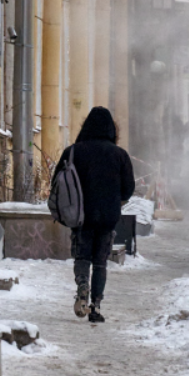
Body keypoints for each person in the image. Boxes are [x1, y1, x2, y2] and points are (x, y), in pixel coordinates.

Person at [53, 107, 135, 323]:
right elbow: (128, 189)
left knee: (82, 256)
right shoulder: (120, 155)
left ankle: (82, 285)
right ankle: (96, 306)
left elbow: (57, 183)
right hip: (108, 217)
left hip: (80, 216)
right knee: (100, 262)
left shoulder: (73, 152)